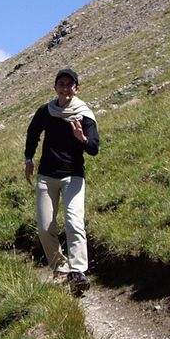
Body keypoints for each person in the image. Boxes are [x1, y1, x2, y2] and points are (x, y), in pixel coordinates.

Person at [24, 68, 99, 292]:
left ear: (77, 89)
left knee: (74, 222)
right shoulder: (46, 111)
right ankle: (61, 268)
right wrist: (28, 158)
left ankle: (78, 271)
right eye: (61, 84)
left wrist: (82, 138)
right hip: (46, 176)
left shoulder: (84, 115)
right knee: (45, 227)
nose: (65, 88)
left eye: (69, 84)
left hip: (73, 175)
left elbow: (94, 148)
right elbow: (33, 132)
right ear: (55, 87)